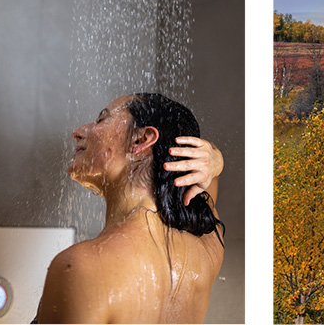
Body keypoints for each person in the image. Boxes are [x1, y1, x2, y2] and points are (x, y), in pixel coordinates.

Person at [35, 93, 225, 323]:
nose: (78, 132)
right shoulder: (207, 248)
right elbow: (207, 174)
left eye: (100, 120)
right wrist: (216, 159)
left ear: (140, 140)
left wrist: (215, 160)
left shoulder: (82, 267)